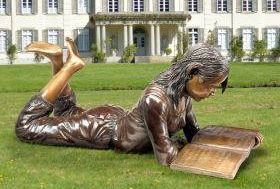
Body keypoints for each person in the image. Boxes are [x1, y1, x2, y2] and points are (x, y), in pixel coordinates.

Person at [16, 38, 230, 166]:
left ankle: (58, 61)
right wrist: (180, 144)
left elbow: (195, 134)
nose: (212, 92)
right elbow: (166, 156)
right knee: (27, 126)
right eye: (210, 85)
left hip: (114, 119)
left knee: (66, 112)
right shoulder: (156, 99)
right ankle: (70, 67)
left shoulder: (182, 95)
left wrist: (231, 142)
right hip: (101, 130)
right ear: (192, 73)